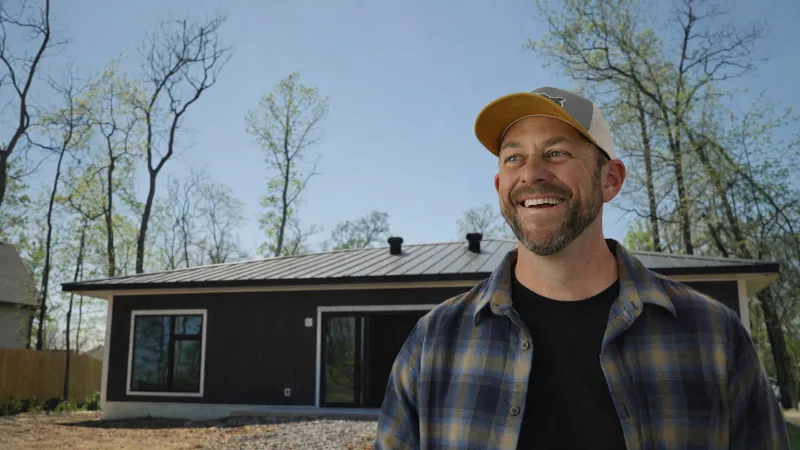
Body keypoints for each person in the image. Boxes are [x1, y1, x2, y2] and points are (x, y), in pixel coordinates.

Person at [374, 87, 790, 449]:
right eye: (513, 158)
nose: (532, 174)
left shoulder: (712, 335)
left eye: (556, 153)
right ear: (500, 187)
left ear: (610, 179)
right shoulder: (433, 343)